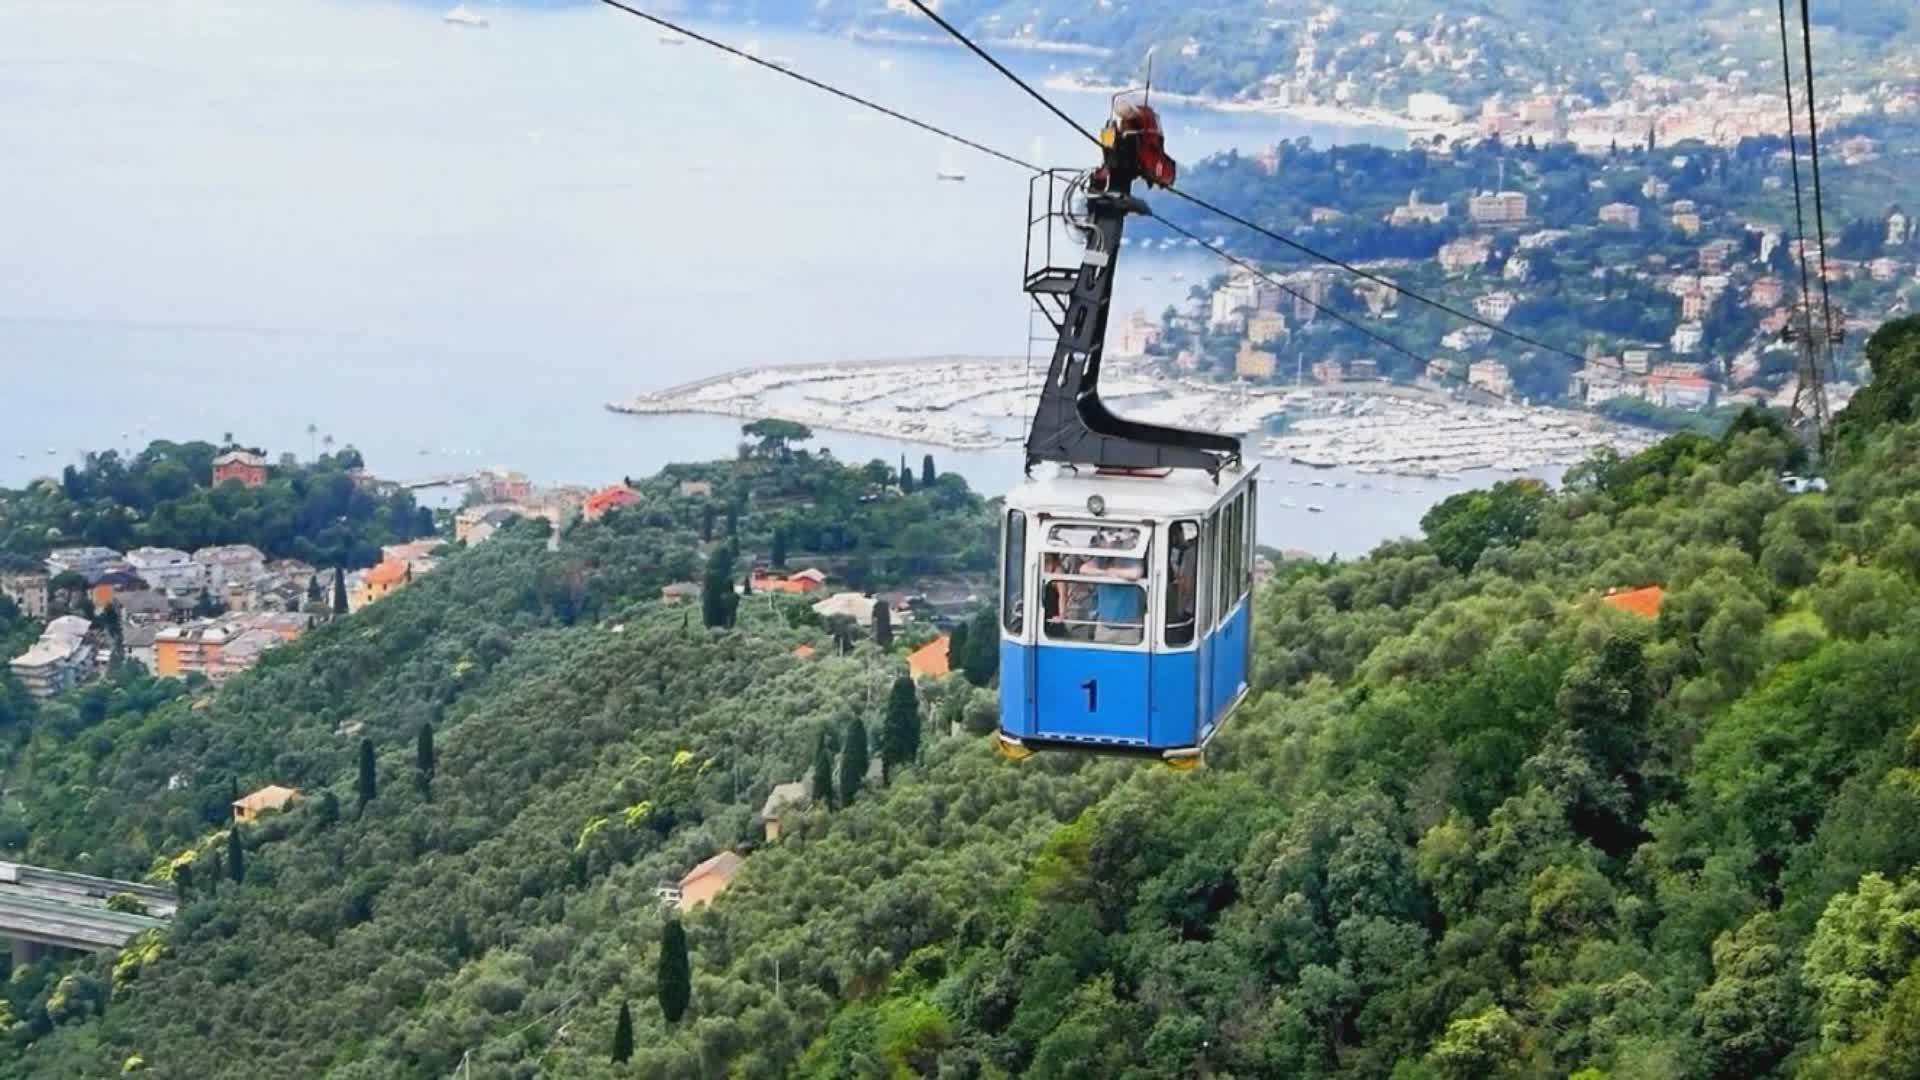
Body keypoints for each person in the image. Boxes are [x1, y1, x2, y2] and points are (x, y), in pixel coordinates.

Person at [1091, 555, 1145, 644]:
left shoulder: (1132, 558)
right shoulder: (1100, 559)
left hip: (1129, 629)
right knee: (1100, 657)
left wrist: (1114, 572)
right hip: (1104, 628)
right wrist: (1106, 573)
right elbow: (1084, 569)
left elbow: (1136, 573)